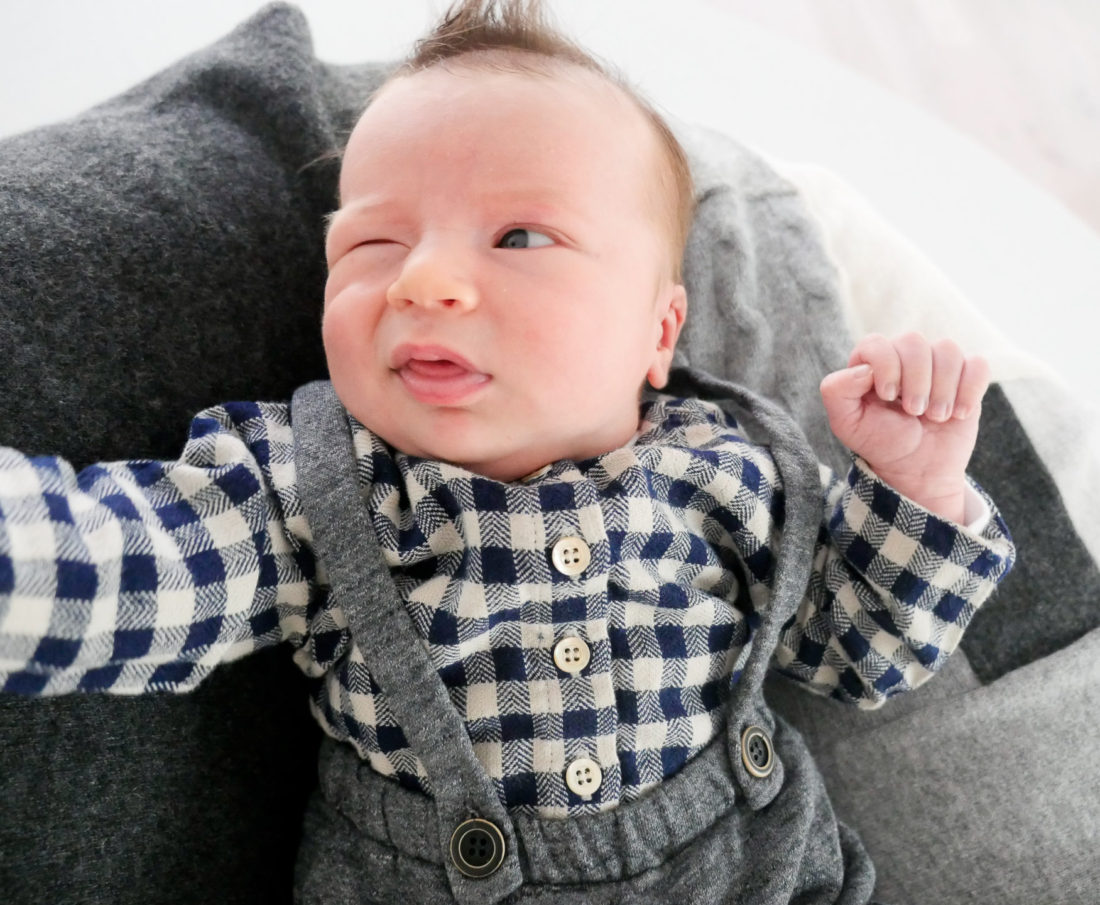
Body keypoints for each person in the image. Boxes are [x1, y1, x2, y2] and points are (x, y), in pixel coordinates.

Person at [0, 1, 1013, 901]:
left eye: (520, 238)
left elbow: (858, 655)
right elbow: (128, 563)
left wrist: (911, 483)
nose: (423, 281)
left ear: (656, 334)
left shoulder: (730, 468)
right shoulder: (317, 490)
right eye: (372, 245)